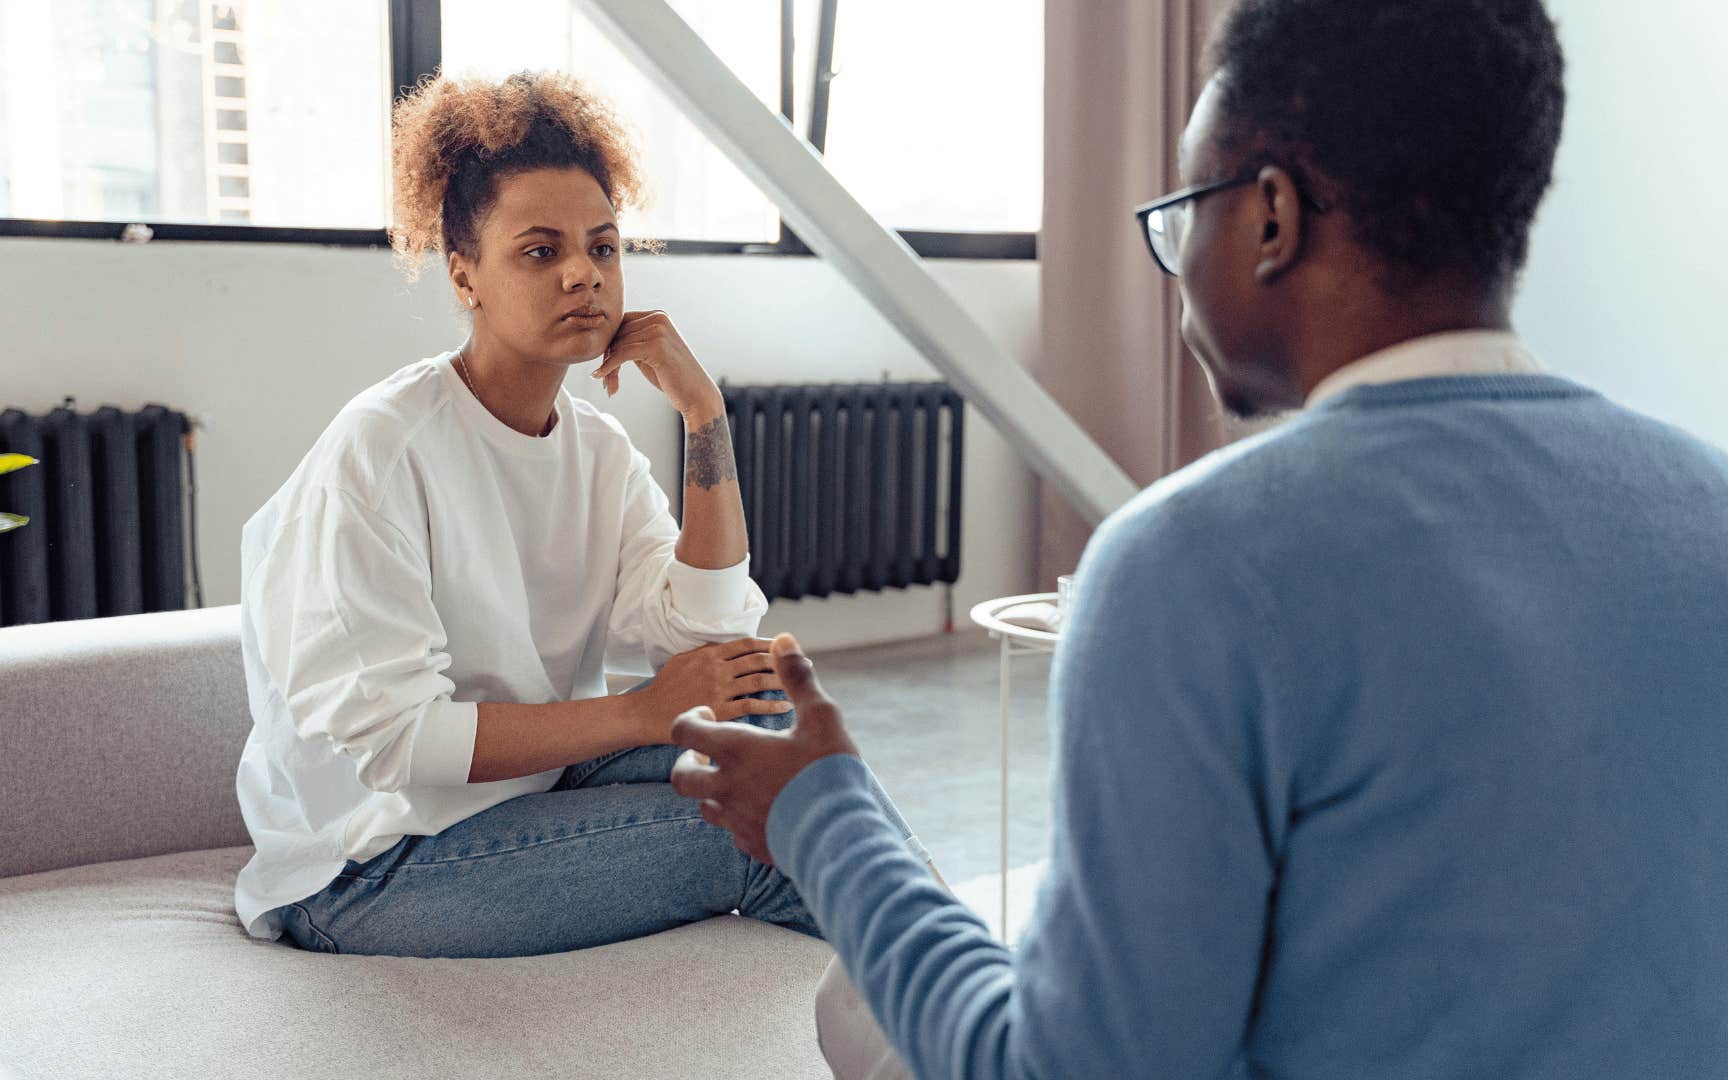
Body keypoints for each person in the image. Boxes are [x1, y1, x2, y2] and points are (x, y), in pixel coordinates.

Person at [671, 1, 1728, 1076]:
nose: (1174, 261)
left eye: (1183, 213)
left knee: (860, 1004)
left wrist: (827, 817)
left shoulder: (1195, 563)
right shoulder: (1708, 498)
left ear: (1272, 217)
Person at [231, 70, 922, 958]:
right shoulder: (383, 449)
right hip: (371, 862)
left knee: (790, 754)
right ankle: (981, 1022)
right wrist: (641, 714)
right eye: (539, 251)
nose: (582, 276)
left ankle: (990, 1004)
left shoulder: (594, 449)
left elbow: (701, 634)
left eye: (603, 248)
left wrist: (704, 416)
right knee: (753, 832)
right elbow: (401, 742)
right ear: (464, 276)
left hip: (534, 787)